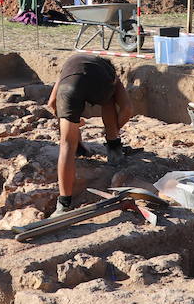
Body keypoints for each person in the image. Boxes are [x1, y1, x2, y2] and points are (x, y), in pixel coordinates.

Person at [46, 53, 134, 217]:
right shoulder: (109, 73)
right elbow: (127, 109)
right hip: (101, 85)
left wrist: (73, 125)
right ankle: (114, 148)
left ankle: (63, 205)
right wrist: (115, 127)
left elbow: (52, 104)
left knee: (66, 146)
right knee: (108, 99)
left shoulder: (69, 66)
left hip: (69, 88)